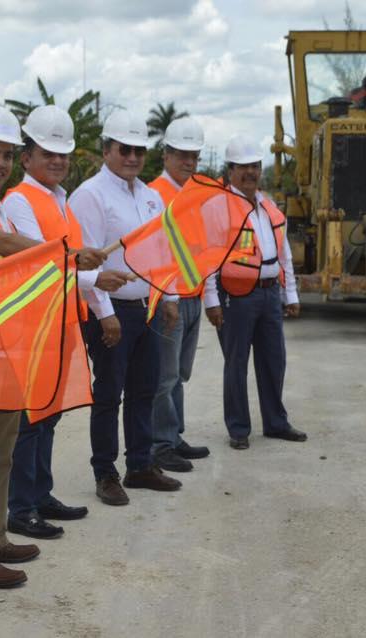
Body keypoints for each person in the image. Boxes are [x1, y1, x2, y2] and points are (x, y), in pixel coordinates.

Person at [0, 104, 106, 587]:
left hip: (3, 343)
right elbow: (6, 245)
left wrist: (72, 261)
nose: (0, 164)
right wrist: (68, 254)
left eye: (7, 155)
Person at [2, 105, 131, 539]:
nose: (56, 161)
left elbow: (76, 258)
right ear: (27, 157)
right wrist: (98, 278)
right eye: (47, 153)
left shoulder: (60, 200)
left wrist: (98, 303)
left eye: (63, 154)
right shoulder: (20, 200)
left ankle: (40, 494)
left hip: (63, 322)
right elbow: (41, 263)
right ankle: (20, 507)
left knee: (50, 415)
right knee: (31, 420)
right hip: (36, 326)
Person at [69, 109, 183, 506]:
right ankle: (105, 472)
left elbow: (160, 251)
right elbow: (88, 262)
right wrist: (104, 313)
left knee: (143, 391)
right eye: (124, 149)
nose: (132, 156)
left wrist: (167, 297)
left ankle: (139, 465)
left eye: (138, 150)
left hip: (145, 306)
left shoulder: (150, 197)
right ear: (106, 150)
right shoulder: (90, 196)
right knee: (108, 394)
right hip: (112, 308)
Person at [203, 135, 306, 451]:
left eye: (255, 166)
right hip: (236, 296)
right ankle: (238, 428)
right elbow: (207, 256)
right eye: (243, 166)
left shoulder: (269, 206)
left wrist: (291, 294)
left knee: (274, 360)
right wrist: (211, 300)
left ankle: (276, 422)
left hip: (269, 294)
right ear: (230, 170)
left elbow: (283, 252)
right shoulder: (217, 207)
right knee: (236, 363)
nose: (250, 172)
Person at [146, 117, 211, 473]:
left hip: (193, 295)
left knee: (180, 374)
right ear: (166, 155)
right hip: (168, 300)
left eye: (194, 156)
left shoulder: (193, 193)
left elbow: (201, 248)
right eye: (183, 155)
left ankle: (174, 435)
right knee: (165, 375)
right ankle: (161, 444)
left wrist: (208, 296)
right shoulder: (154, 194)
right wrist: (166, 296)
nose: (189, 162)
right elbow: (155, 252)